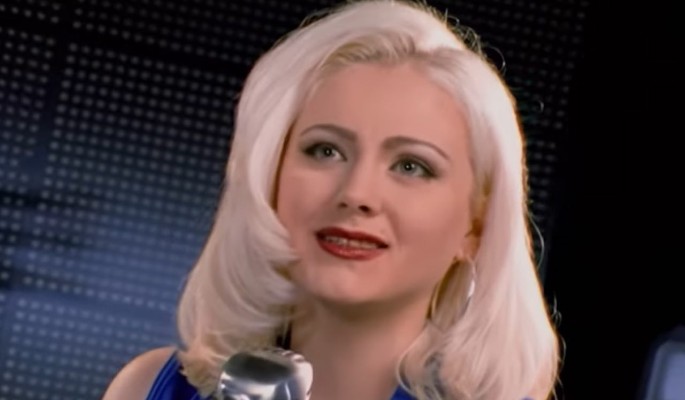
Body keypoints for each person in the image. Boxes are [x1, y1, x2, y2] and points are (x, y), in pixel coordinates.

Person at [102, 0, 561, 399]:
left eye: (411, 166)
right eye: (325, 151)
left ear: (476, 225)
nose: (357, 194)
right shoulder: (150, 388)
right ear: (269, 175)